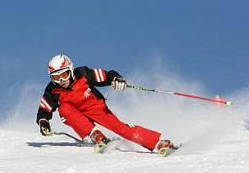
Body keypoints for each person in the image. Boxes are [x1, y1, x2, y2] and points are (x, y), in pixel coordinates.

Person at [37, 54, 176, 155]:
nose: (62, 80)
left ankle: (159, 143)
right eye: (56, 77)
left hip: (95, 107)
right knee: (64, 108)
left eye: (64, 74)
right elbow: (44, 108)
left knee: (120, 128)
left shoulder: (83, 74)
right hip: (75, 115)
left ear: (71, 70)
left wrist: (116, 79)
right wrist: (43, 122)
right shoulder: (52, 90)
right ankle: (95, 135)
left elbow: (106, 76)